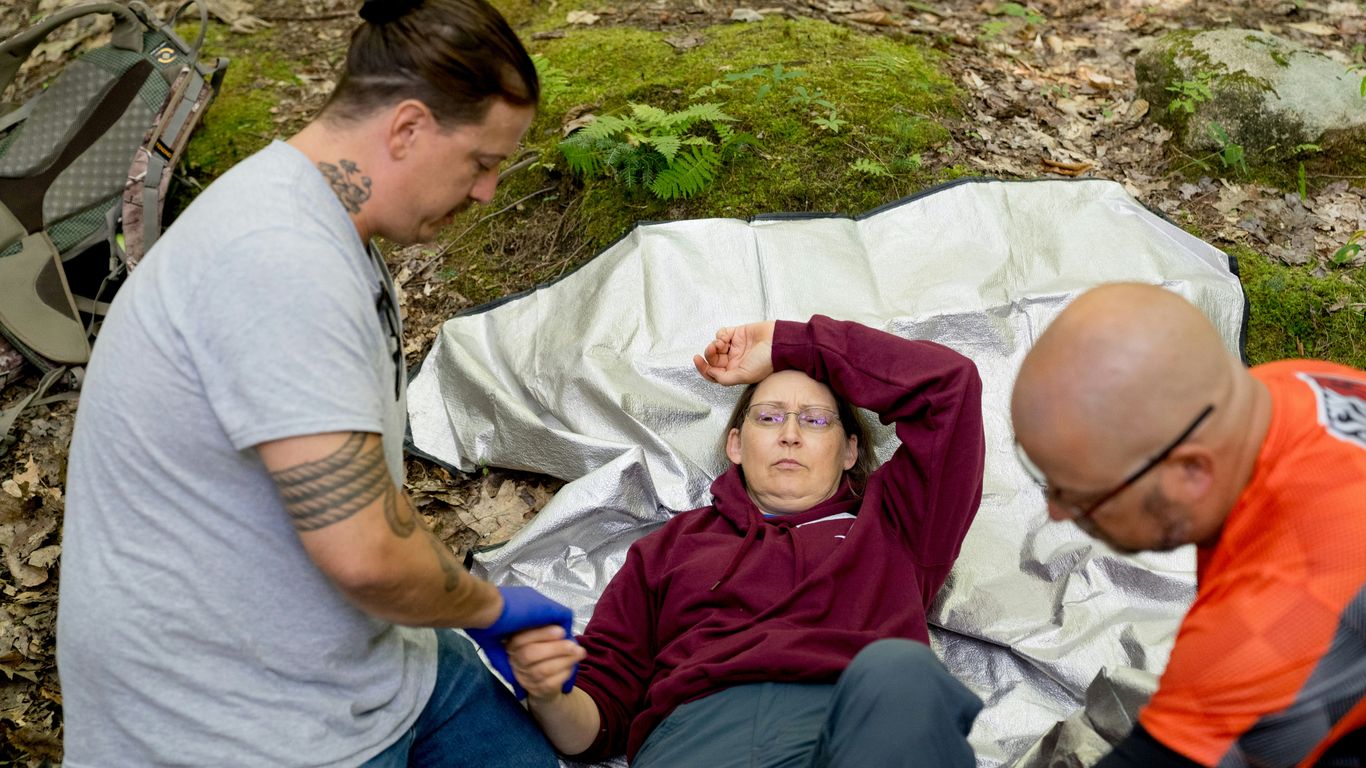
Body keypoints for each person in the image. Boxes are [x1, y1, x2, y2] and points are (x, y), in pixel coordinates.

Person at [57, 1, 573, 765]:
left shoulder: (327, 222)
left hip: (366, 661)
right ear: (406, 129)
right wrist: (489, 606)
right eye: (483, 163)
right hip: (232, 718)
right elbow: (366, 553)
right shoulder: (277, 259)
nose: (488, 192)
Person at [495, 315, 987, 766]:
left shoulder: (898, 524)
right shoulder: (669, 547)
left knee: (901, 671)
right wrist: (549, 693)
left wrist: (789, 345)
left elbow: (948, 387)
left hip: (863, 725)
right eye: (769, 417)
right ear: (735, 443)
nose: (790, 434)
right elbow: (598, 718)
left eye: (815, 419)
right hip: (702, 740)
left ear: (850, 450)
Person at [1011, 283, 1366, 768]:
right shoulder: (1292, 387)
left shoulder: (1266, 623)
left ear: (1193, 471)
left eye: (1082, 494)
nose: (1056, 511)